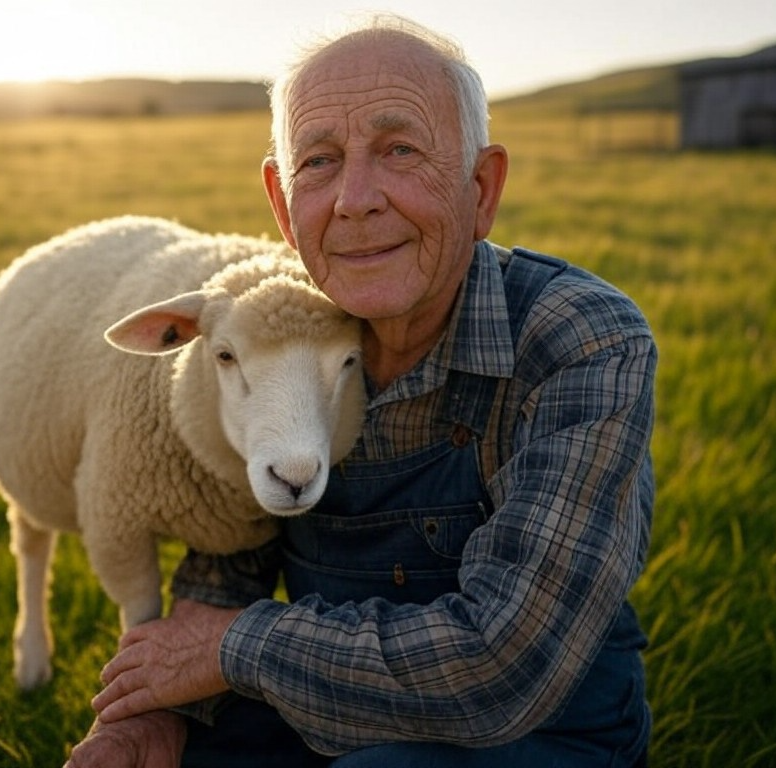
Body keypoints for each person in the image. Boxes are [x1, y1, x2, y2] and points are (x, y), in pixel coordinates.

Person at [65, 13, 656, 768]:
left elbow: (504, 666)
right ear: (282, 207)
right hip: (317, 706)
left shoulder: (580, 340)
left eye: (400, 150)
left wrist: (234, 646)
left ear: (481, 188)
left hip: (539, 730)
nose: (354, 199)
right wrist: (160, 714)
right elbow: (228, 556)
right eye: (318, 161)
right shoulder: (279, 331)